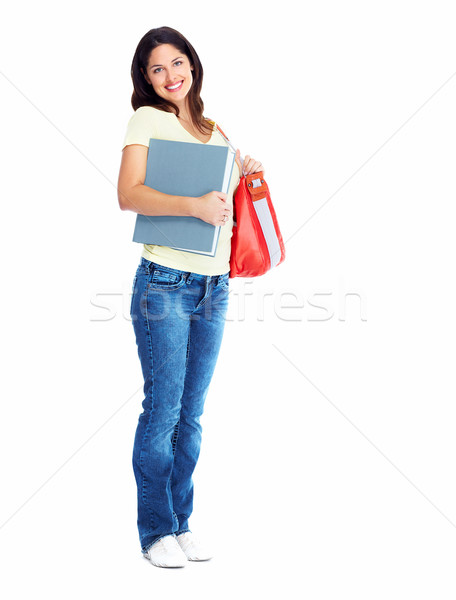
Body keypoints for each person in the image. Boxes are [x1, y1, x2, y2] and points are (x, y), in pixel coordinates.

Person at [117, 26, 264, 568]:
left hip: (214, 284)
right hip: (165, 283)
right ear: (145, 78)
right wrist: (193, 207)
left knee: (192, 415)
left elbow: (223, 196)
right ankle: (155, 530)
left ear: (193, 65)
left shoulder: (212, 126)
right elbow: (127, 193)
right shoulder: (146, 119)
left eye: (178, 63)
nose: (171, 76)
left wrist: (244, 171)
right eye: (157, 69)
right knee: (162, 413)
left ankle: (180, 523)